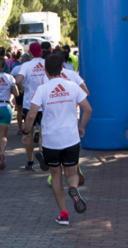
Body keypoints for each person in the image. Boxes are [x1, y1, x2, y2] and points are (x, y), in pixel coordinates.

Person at [24, 54, 92, 226]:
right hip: (71, 138)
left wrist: (26, 132)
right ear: (63, 68)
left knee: (55, 175)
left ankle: (63, 214)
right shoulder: (72, 86)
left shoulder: (43, 89)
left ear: (45, 71)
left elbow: (31, 115)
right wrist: (81, 127)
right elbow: (88, 109)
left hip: (51, 140)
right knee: (72, 173)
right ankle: (74, 189)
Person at [16, 43, 47, 170]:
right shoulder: (47, 63)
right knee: (43, 133)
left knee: (28, 132)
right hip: (45, 103)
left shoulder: (26, 65)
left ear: (30, 53)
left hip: (30, 103)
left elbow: (18, 80)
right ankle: (42, 154)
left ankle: (30, 161)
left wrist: (22, 88)